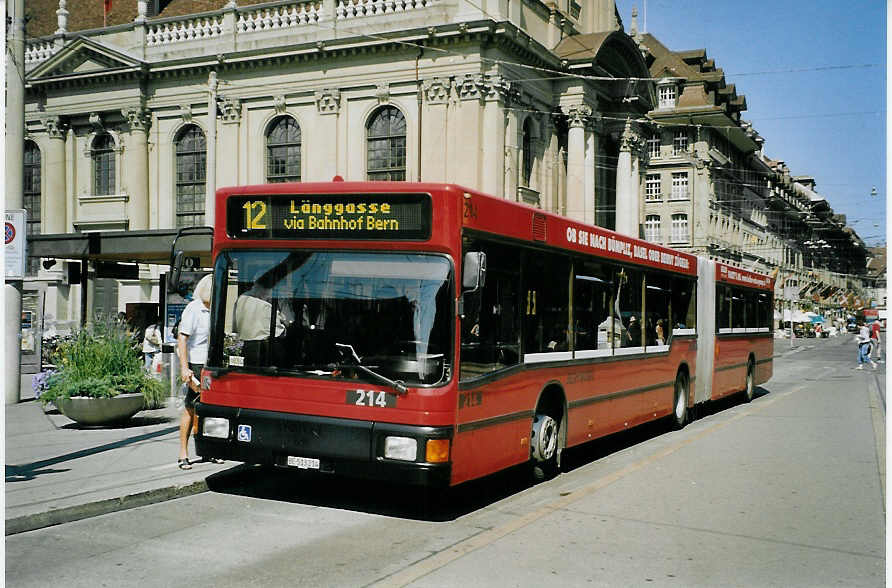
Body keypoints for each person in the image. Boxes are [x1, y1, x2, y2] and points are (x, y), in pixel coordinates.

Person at [177, 274, 220, 469]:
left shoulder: (216, 308)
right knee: (192, 407)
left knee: (210, 408)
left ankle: (209, 449)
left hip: (211, 365)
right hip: (196, 364)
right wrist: (185, 368)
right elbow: (182, 339)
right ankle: (183, 453)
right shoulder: (194, 309)